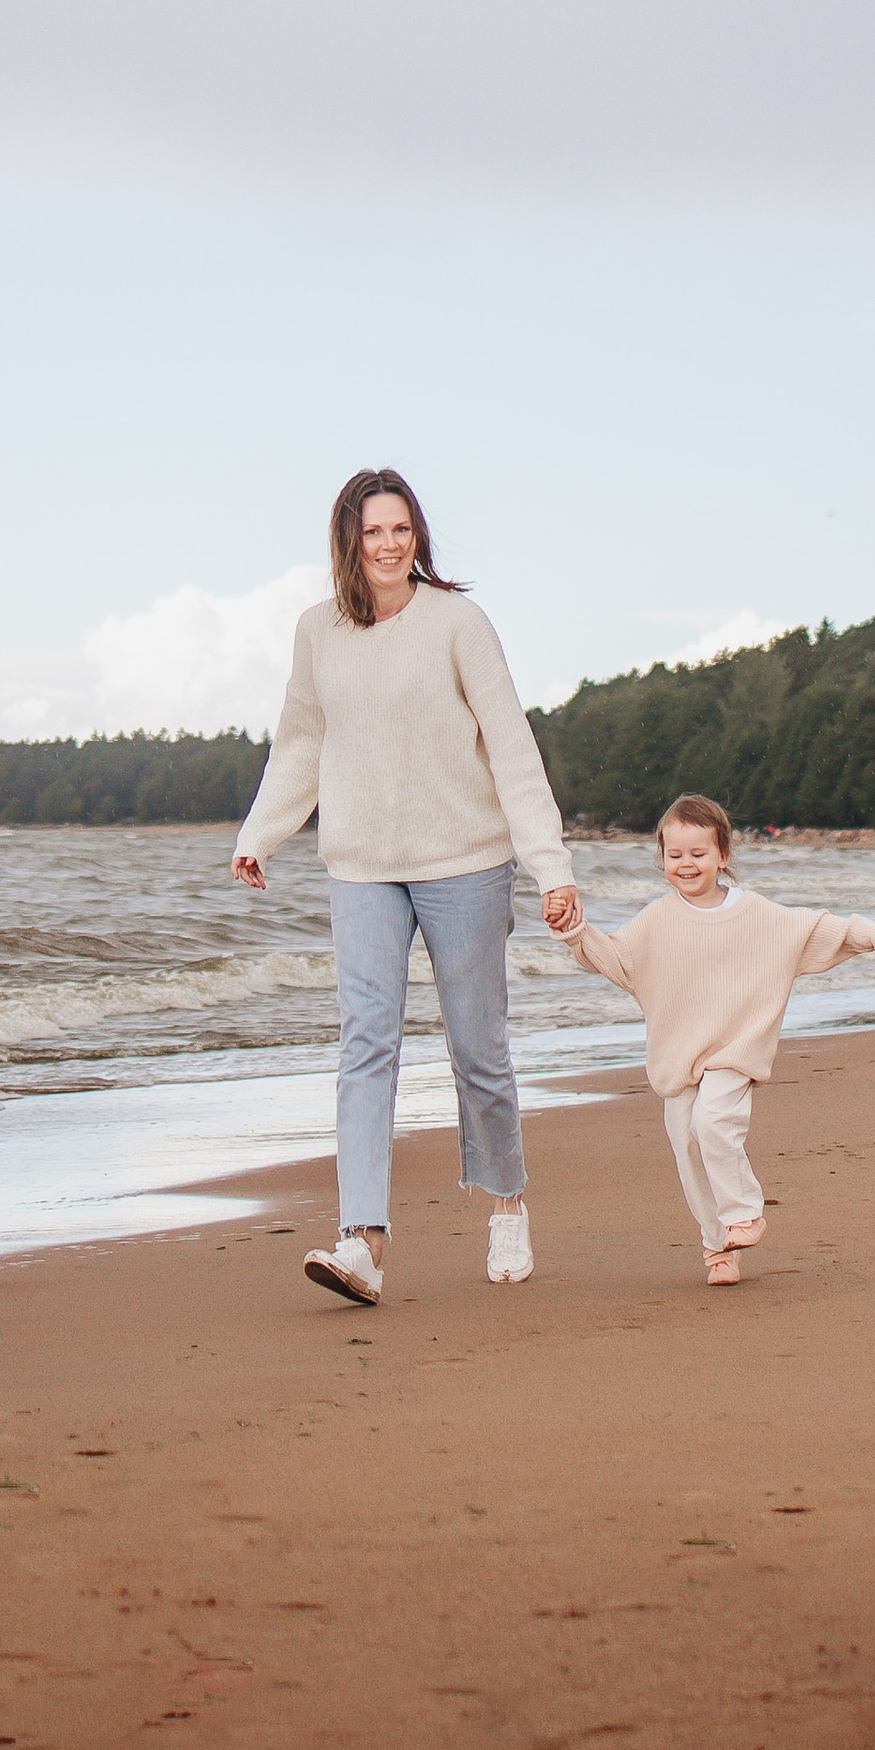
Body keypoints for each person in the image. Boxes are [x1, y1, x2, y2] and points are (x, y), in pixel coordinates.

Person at [233, 466, 580, 1306]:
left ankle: (506, 1203)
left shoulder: (458, 622)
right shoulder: (318, 632)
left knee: (478, 1049)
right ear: (348, 542)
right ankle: (363, 1241)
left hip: (466, 859)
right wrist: (261, 833)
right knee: (365, 1043)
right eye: (372, 532)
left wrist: (550, 867)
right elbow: (301, 742)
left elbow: (510, 746)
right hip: (361, 868)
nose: (389, 546)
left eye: (401, 530)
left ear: (417, 536)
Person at [564, 793, 875, 1284]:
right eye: (675, 854)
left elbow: (815, 928)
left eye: (699, 853)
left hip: (736, 1046)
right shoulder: (657, 919)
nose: (686, 864)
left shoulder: (756, 913)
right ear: (661, 858)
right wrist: (575, 932)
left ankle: (745, 1212)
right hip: (679, 1052)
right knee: (687, 1145)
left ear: (723, 856)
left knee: (713, 1124)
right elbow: (617, 957)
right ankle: (719, 1248)